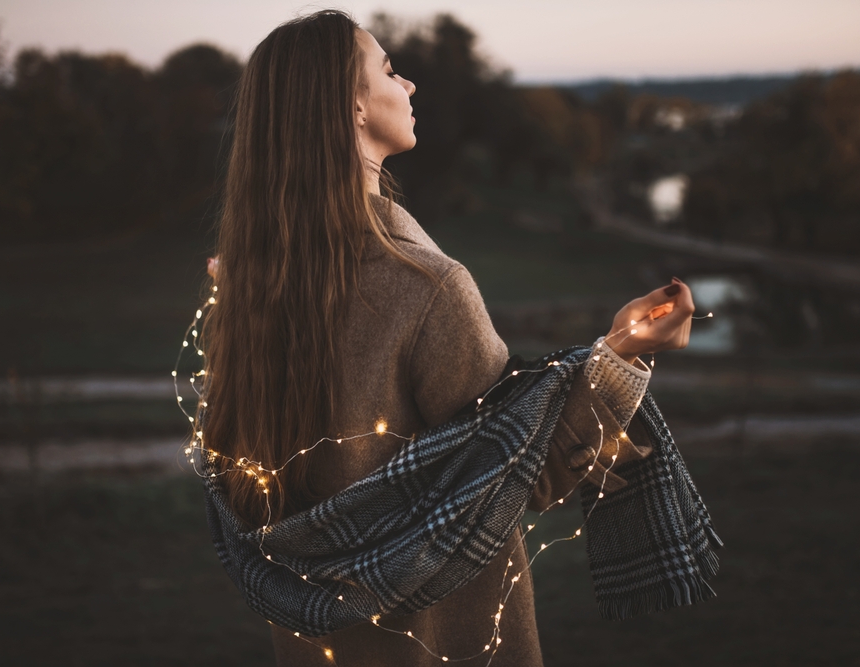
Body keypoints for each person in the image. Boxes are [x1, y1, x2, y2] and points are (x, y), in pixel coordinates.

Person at [201, 10, 695, 666]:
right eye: (389, 70)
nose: (409, 85)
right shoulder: (428, 288)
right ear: (352, 105)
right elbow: (519, 479)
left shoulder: (242, 290)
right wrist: (623, 355)